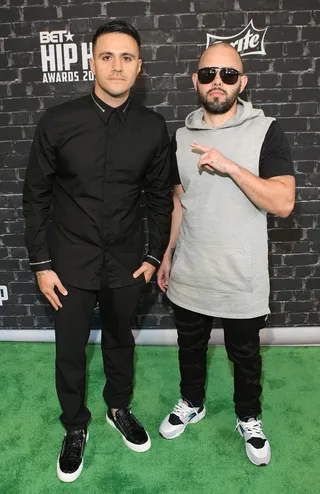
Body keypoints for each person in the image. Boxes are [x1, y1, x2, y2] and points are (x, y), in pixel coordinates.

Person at [23, 20, 173, 482]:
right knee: (69, 347)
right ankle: (74, 426)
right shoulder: (58, 120)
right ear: (91, 62)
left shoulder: (152, 127)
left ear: (140, 67)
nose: (116, 66)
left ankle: (118, 407)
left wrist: (152, 258)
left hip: (127, 262)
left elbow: (159, 198)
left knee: (120, 340)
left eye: (127, 58)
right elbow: (36, 197)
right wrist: (42, 265)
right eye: (107, 56)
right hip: (68, 262)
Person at [157, 42, 295, 467]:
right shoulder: (180, 138)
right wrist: (167, 254)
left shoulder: (267, 130)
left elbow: (283, 202)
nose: (218, 81)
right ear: (195, 81)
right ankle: (192, 402)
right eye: (208, 74)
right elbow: (181, 202)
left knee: (245, 355)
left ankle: (248, 418)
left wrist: (232, 166)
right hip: (191, 270)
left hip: (241, 275)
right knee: (190, 347)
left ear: (243, 82)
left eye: (228, 74)